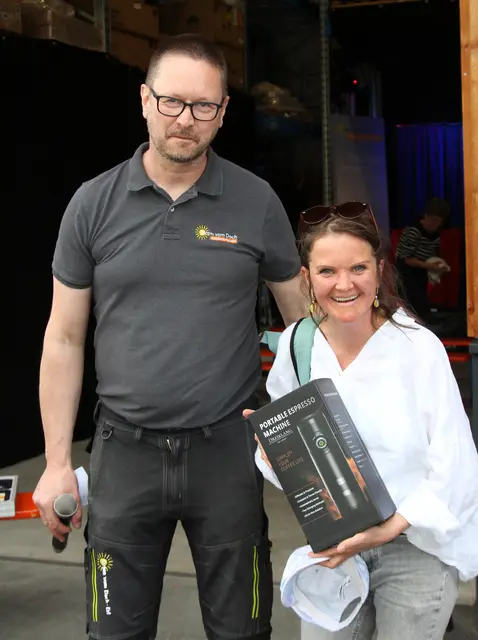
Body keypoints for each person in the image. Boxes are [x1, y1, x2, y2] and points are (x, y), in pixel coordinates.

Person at [33, 34, 308, 640]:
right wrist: (55, 465)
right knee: (114, 633)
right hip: (124, 454)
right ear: (144, 100)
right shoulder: (92, 205)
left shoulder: (256, 201)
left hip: (227, 452)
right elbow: (64, 339)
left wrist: (319, 449)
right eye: (172, 102)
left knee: (242, 631)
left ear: (223, 112)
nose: (186, 119)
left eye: (204, 105)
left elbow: (304, 330)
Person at [245, 203, 478, 640]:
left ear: (379, 270)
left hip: (415, 548)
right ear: (306, 278)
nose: (344, 284)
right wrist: (273, 453)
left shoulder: (417, 347)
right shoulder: (298, 344)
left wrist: (389, 528)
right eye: (327, 271)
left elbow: (456, 463)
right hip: (337, 545)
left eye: (358, 268)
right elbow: (296, 463)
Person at [395, 197, 450, 321]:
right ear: (426, 216)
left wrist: (439, 265)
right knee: (413, 305)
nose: (436, 224)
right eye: (433, 220)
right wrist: (429, 266)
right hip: (406, 273)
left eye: (439, 221)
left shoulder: (436, 235)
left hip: (421, 272)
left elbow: (431, 255)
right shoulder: (413, 231)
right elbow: (406, 259)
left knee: (422, 306)